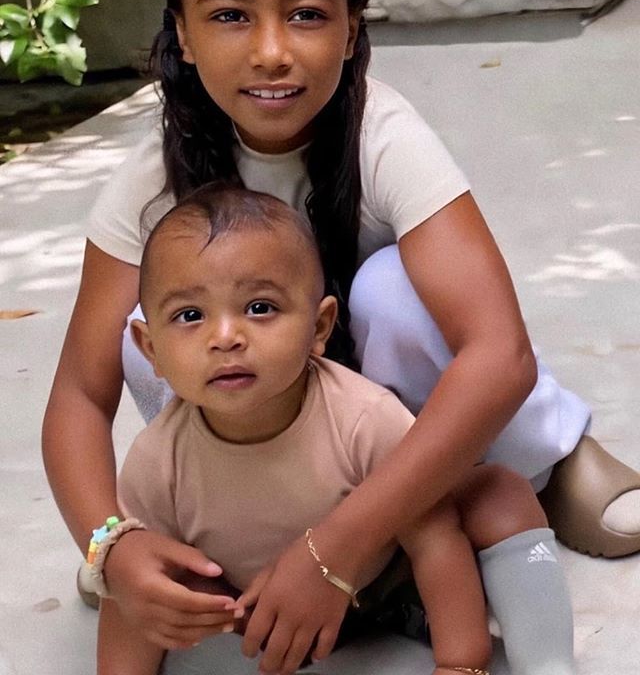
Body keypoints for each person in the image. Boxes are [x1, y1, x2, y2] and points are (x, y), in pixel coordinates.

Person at [41, 0, 640, 673]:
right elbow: (79, 395)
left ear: (352, 29)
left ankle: (546, 460)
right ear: (182, 34)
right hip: (266, 417)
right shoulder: (154, 175)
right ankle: (216, 516)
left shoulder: (383, 135)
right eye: (230, 16)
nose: (271, 51)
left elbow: (499, 354)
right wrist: (109, 545)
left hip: (393, 425)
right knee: (142, 329)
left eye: (306, 15)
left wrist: (338, 548)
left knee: (391, 294)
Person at [95, 184, 575, 675]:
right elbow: (133, 583)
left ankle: (547, 663)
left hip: (394, 586)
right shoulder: (157, 460)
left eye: (260, 307)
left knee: (499, 493)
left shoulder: (364, 417)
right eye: (190, 315)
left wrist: (461, 663)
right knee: (144, 572)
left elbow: (433, 535)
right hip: (264, 620)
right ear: (149, 348)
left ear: (319, 327)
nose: (226, 338)